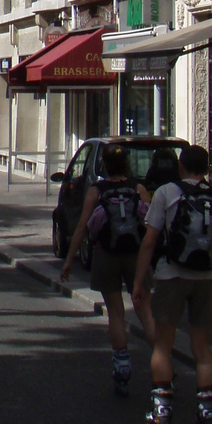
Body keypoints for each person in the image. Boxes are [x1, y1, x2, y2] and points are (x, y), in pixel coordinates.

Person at [133, 143, 212, 424]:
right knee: (201, 347)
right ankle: (209, 417)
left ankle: (161, 414)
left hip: (171, 275)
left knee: (163, 346)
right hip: (207, 279)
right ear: (207, 169)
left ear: (181, 167)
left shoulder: (166, 193)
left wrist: (140, 281)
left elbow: (150, 241)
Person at [61, 141, 156, 393]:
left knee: (115, 312)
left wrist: (70, 259)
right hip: (136, 255)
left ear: (104, 165)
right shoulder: (139, 189)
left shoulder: (96, 190)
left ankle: (122, 366)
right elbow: (149, 226)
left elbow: (82, 226)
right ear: (127, 164)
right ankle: (162, 362)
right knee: (145, 310)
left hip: (106, 254)